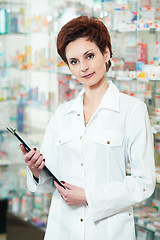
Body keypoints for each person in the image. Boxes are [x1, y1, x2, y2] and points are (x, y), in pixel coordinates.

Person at [20, 16, 155, 240]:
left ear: (106, 53)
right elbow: (50, 180)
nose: (83, 67)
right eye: (73, 61)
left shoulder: (132, 110)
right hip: (63, 229)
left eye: (89, 56)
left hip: (108, 230)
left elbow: (144, 183)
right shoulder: (62, 114)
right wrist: (36, 171)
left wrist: (89, 196)